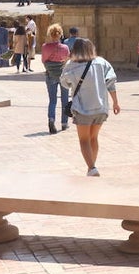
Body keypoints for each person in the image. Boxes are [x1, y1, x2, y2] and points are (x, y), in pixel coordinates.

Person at [58, 38, 121, 176]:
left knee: (84, 139)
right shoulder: (102, 62)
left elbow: (64, 82)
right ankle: (91, 167)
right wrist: (115, 102)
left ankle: (92, 167)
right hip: (101, 107)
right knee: (94, 138)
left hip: (82, 108)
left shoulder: (71, 65)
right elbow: (111, 82)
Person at [41, 24, 71, 134]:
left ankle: (51, 119)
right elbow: (67, 61)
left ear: (50, 34)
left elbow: (44, 60)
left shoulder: (45, 47)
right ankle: (64, 123)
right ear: (60, 34)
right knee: (64, 100)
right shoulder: (65, 48)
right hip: (63, 75)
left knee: (52, 100)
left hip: (51, 75)